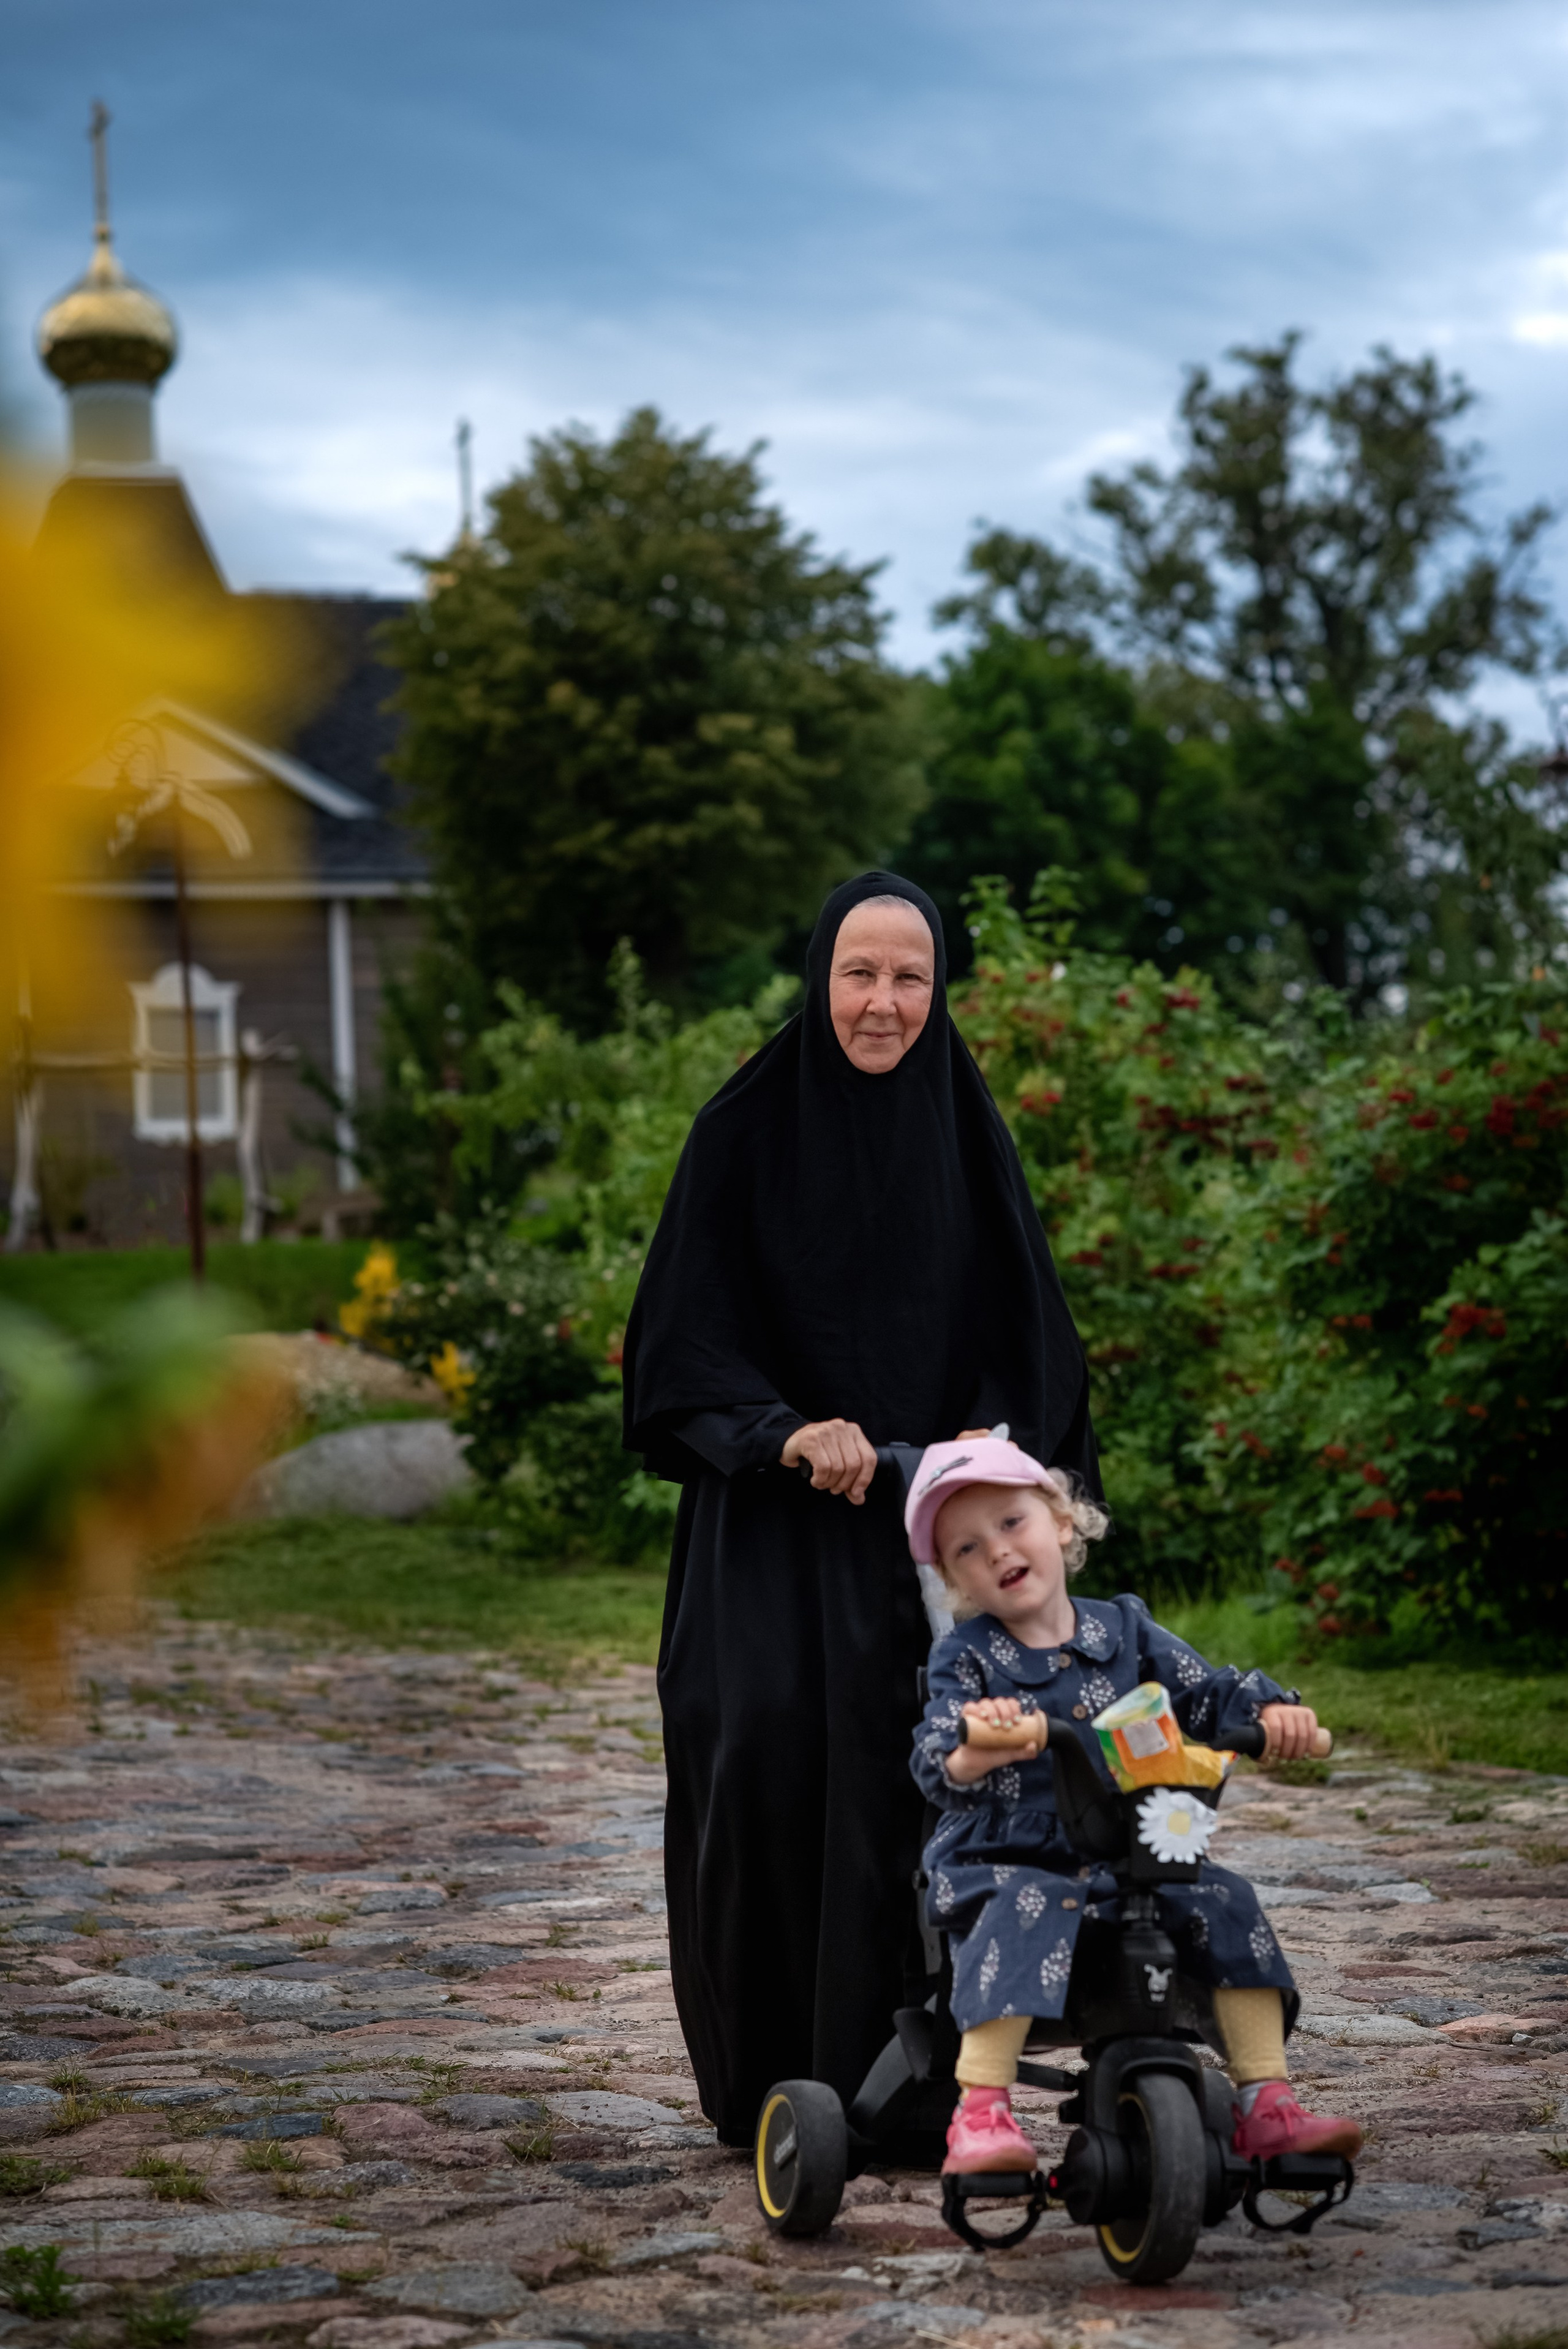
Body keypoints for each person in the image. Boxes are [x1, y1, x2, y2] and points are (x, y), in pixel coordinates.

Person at [621, 873, 1098, 2147]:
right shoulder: (744, 1127)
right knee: (762, 1763)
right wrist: (784, 1428)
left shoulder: (962, 1131)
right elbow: (678, 1342)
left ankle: (928, 2090)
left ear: (937, 994)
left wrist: (983, 1445)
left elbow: (1035, 1339)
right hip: (768, 1542)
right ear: (816, 976)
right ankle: (773, 2090)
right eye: (858, 974)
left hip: (924, 1540)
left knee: (931, 1777)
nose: (881, 1004)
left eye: (908, 979)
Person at [906, 1434, 1365, 2174]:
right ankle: (980, 2110)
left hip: (1126, 1855)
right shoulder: (968, 1657)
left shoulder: (1124, 1631)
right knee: (1025, 1901)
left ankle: (1268, 2102)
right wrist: (976, 1745)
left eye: (1011, 1523)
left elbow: (1208, 1691)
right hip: (1009, 1857)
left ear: (1060, 1520)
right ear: (955, 1580)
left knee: (1225, 1897)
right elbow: (937, 1755)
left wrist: (1273, 1712)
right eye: (966, 1547)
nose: (995, 1550)